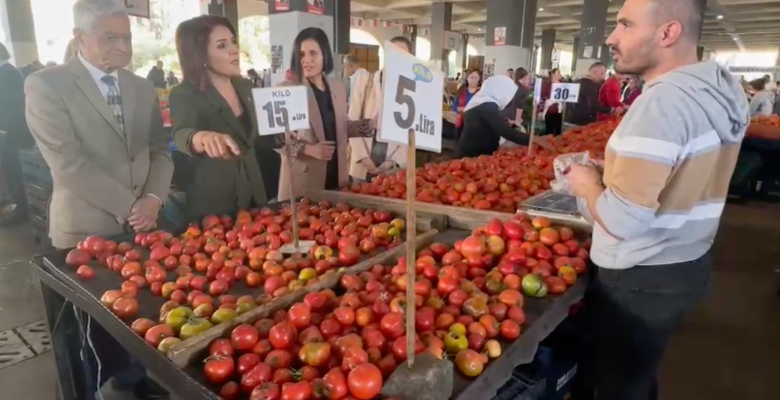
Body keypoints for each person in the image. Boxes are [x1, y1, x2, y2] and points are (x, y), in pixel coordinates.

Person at [566, 1, 748, 399]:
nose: (611, 37)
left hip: (640, 275)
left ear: (668, 33)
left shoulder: (661, 105)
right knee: (637, 376)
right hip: (684, 259)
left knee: (615, 385)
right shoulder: (715, 93)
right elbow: (684, 171)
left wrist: (585, 184)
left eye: (625, 25)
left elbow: (626, 220)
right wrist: (614, 171)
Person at [25, 1, 173, 398]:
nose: (123, 47)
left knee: (140, 319)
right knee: (94, 335)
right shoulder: (46, 86)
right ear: (79, 38)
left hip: (143, 226)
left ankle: (135, 384)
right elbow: (67, 162)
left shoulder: (141, 87)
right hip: (86, 232)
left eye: (126, 37)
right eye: (110, 37)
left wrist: (155, 198)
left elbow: (160, 149)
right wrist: (132, 205)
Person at [169, 16, 270, 218]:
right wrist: (203, 138)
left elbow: (257, 135)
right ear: (200, 55)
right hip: (215, 200)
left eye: (233, 42)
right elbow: (181, 134)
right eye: (222, 45)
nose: (234, 50)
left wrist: (286, 137)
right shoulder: (184, 93)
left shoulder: (245, 86)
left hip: (255, 189)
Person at [277, 27, 374, 201]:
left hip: (337, 175)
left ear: (325, 55)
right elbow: (275, 139)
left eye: (313, 53)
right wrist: (308, 149)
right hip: (305, 179)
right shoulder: (287, 89)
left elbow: (342, 127)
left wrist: (370, 125)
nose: (307, 60)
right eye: (301, 54)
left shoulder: (337, 87)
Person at [347, 36, 412, 182]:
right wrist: (362, 157)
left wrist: (393, 161)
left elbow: (411, 132)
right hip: (363, 161)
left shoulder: (411, 91)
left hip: (392, 166)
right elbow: (351, 121)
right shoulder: (366, 81)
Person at [455, 75, 550, 158]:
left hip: (475, 155)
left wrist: (503, 121)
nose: (510, 99)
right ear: (501, 91)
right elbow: (504, 131)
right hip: (471, 157)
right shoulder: (487, 105)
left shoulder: (481, 101)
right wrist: (532, 139)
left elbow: (487, 124)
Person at [0, 42, 32, 226]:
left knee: (15, 172)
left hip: (12, 132)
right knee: (13, 171)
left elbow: (10, 106)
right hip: (11, 131)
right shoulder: (9, 72)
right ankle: (21, 207)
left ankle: (22, 209)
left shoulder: (7, 73)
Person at [453, 68, 482, 133]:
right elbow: (454, 108)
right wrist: (467, 108)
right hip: (460, 124)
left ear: (479, 79)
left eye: (476, 77)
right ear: (467, 78)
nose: (474, 80)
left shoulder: (481, 94)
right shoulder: (460, 92)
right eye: (471, 77)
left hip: (476, 126)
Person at [541, 68, 564, 135]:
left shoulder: (563, 85)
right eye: (558, 73)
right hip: (549, 110)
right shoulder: (548, 85)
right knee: (549, 130)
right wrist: (541, 109)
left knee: (558, 130)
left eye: (560, 72)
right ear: (553, 74)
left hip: (558, 109)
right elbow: (543, 96)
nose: (560, 74)